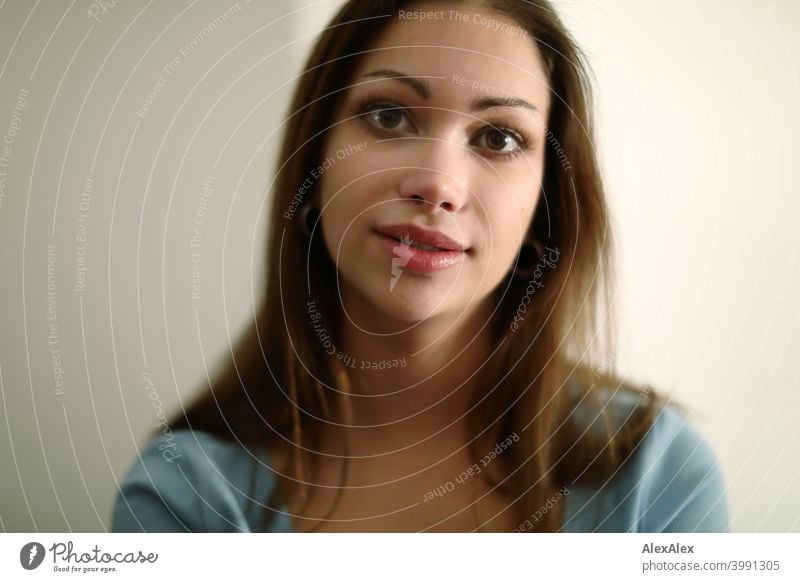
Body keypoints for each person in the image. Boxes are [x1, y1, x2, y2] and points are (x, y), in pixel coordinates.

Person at [111, 0, 729, 533]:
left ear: (547, 203)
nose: (437, 184)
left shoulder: (657, 480)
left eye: (498, 138)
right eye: (388, 115)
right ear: (314, 161)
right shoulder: (185, 499)